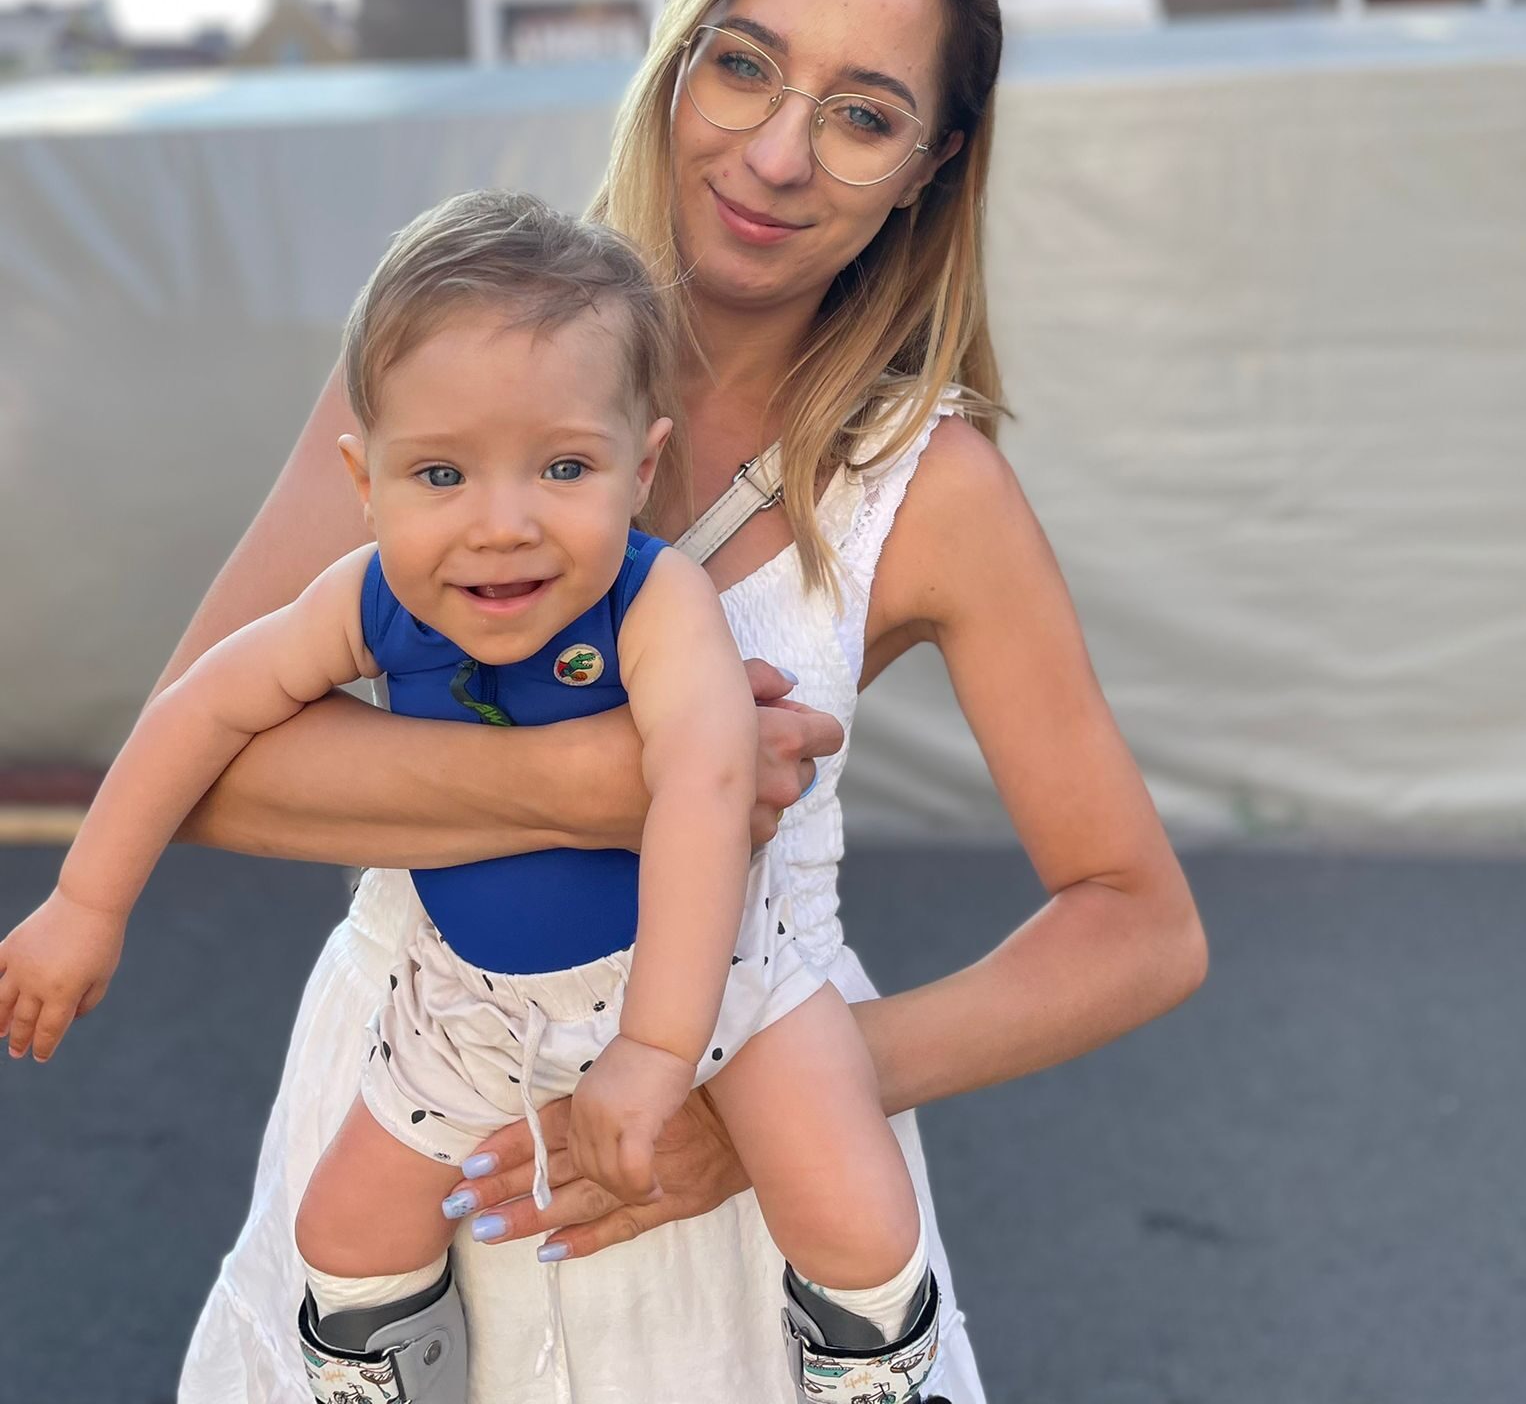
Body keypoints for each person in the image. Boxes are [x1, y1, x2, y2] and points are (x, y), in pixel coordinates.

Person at [164, 0, 1206, 1404]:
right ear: (676, 58)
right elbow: (197, 757)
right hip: (413, 1114)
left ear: (930, 166)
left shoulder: (931, 485)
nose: (776, 155)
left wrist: (777, 1098)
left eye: (863, 116)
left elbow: (1139, 921)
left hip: (749, 1193)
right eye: (744, 67)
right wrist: (589, 784)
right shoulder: (454, 356)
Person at [0, 192, 944, 1404]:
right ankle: (392, 1377)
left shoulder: (655, 603)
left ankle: (869, 1365)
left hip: (709, 973)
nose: (502, 526)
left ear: (641, 466)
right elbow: (199, 708)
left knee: (854, 1205)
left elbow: (709, 787)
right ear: (366, 478)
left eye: (564, 466)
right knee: (343, 1232)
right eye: (441, 473)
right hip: (472, 1002)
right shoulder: (365, 599)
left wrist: (658, 1047)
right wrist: (87, 902)